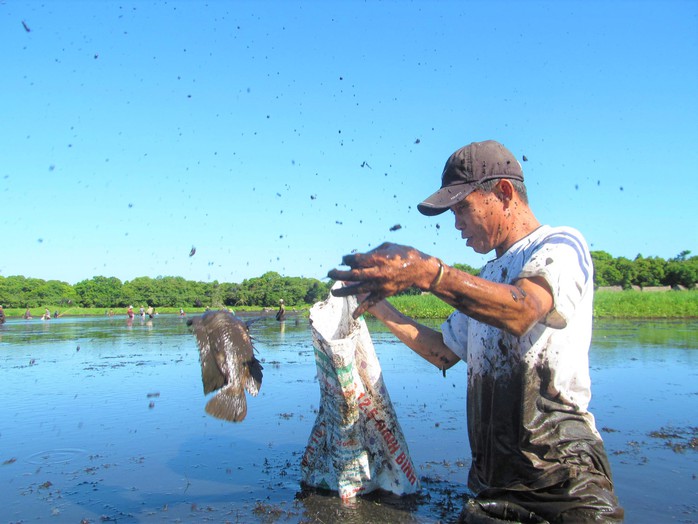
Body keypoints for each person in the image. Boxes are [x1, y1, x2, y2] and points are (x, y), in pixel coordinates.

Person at [328, 140, 623, 523]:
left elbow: (522, 311)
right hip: (494, 485)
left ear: (503, 193)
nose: (457, 224)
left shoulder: (560, 245)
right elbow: (443, 351)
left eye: (462, 208)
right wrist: (377, 305)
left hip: (562, 483)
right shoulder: (488, 277)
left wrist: (430, 273)